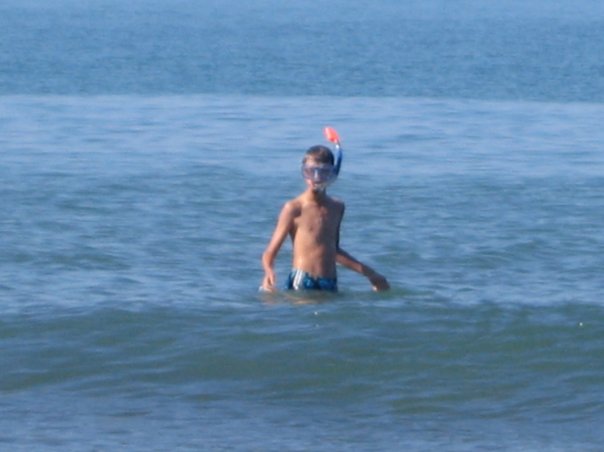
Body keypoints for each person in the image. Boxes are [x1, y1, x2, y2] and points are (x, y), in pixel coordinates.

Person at [261, 143, 390, 293]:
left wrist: (371, 274)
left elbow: (334, 251)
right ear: (303, 172)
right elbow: (269, 253)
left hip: (330, 282)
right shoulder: (294, 208)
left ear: (332, 174)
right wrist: (268, 271)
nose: (316, 178)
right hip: (302, 281)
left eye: (323, 172)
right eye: (310, 171)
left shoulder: (337, 207)